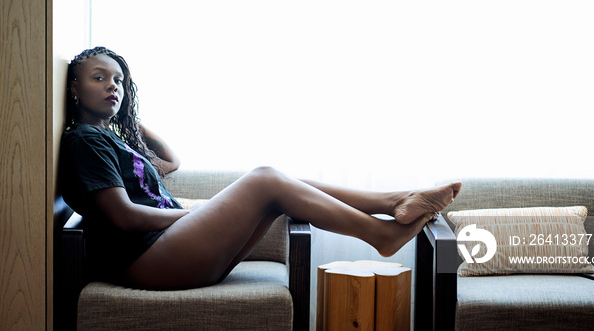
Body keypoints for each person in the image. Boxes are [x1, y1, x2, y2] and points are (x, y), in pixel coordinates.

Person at [60, 46, 462, 290]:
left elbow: (170, 160)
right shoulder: (84, 141)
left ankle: (394, 203)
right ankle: (381, 233)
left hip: (171, 255)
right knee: (265, 179)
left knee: (284, 187)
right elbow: (124, 217)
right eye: (100, 78)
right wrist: (191, 214)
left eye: (119, 80)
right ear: (75, 88)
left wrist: (127, 113)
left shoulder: (108, 137)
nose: (113, 85)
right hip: (149, 261)